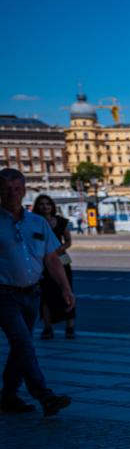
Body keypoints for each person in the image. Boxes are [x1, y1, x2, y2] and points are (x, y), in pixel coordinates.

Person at [0, 169, 73, 416]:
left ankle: (9, 396)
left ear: (24, 190)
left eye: (16, 188)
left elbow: (51, 258)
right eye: (6, 189)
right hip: (4, 295)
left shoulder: (37, 222)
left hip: (32, 293)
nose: (12, 193)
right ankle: (44, 395)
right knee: (23, 343)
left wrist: (65, 288)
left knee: (20, 346)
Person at [32, 195, 75, 339]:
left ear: (52, 206)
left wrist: (59, 249)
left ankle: (70, 327)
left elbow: (68, 241)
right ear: (37, 206)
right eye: (42, 204)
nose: (45, 207)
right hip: (43, 261)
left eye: (48, 204)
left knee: (67, 291)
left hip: (62, 259)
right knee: (46, 295)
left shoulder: (61, 221)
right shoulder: (34, 222)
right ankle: (47, 327)